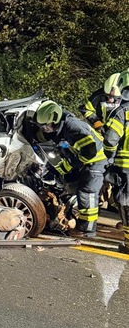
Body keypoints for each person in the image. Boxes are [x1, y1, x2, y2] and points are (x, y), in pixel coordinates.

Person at [35, 100, 107, 238]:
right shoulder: (63, 128)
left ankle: (87, 230)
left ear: (55, 119)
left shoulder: (73, 127)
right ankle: (83, 225)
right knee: (82, 191)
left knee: (87, 192)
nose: (45, 129)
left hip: (96, 161)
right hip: (89, 161)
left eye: (46, 126)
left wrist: (70, 165)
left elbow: (90, 151)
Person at [102, 70, 129, 254]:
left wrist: (108, 158)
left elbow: (111, 140)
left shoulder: (123, 112)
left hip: (126, 169)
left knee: (126, 205)